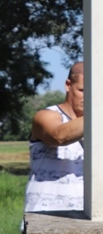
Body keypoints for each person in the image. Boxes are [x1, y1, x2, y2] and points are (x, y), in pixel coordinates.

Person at [25, 62, 85, 212]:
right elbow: (59, 136)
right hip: (44, 220)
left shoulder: (100, 125)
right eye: (83, 90)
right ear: (68, 85)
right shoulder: (45, 116)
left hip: (86, 220)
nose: (89, 97)